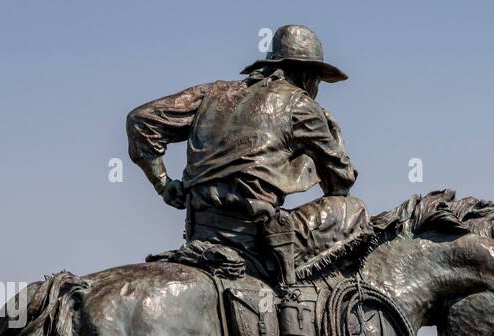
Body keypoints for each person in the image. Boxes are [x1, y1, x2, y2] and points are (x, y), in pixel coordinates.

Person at [126, 24, 370, 289]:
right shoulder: (301, 104)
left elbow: (140, 120)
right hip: (253, 237)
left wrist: (163, 183)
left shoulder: (213, 93)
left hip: (199, 230)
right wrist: (333, 133)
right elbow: (340, 184)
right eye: (318, 81)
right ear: (307, 76)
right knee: (353, 210)